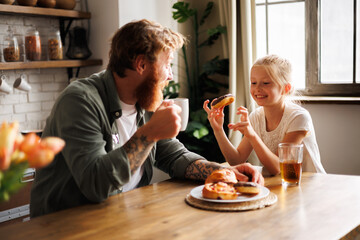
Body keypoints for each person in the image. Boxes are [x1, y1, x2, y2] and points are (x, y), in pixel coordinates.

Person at [30, 19, 263, 218]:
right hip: (66, 225)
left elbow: (174, 155)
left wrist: (223, 172)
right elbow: (96, 184)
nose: (171, 76)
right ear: (141, 64)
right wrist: (149, 132)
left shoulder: (146, 99)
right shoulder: (79, 101)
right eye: (168, 64)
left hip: (123, 215)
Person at [203, 54, 326, 176]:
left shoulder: (298, 117)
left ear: (285, 88)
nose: (257, 88)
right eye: (253, 82)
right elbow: (236, 160)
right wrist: (218, 129)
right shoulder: (256, 117)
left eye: (266, 83)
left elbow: (278, 168)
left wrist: (252, 135)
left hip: (309, 183)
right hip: (279, 184)